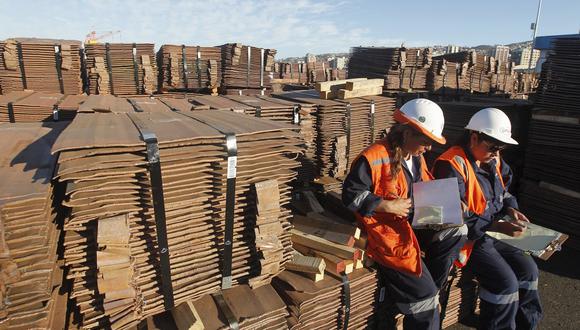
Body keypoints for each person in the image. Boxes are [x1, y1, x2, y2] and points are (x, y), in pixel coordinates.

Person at [342, 98, 466, 329]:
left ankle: (425, 291)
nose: (429, 148)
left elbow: (422, 187)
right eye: (426, 141)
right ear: (408, 133)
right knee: (426, 303)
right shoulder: (374, 156)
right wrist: (385, 205)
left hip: (411, 222)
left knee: (458, 229)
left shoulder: (415, 157)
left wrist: (449, 204)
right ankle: (424, 296)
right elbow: (350, 196)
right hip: (388, 234)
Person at [432, 108, 542, 329]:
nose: (497, 152)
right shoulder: (450, 165)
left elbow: (506, 190)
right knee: (506, 284)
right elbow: (450, 216)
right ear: (474, 137)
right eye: (493, 147)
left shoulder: (494, 160)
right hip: (471, 240)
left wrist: (511, 208)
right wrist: (497, 225)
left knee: (529, 272)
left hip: (495, 231)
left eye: (501, 147)